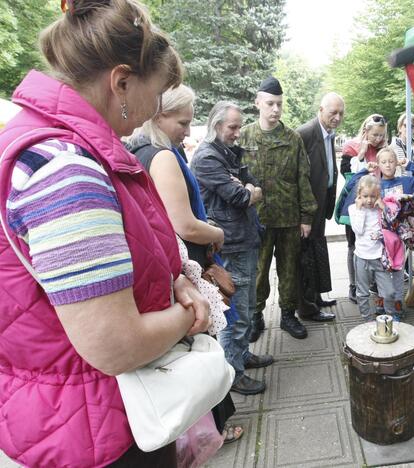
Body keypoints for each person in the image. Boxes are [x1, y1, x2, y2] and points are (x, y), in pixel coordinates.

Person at [0, 1, 211, 466]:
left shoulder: (49, 147)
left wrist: (173, 278)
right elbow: (115, 345)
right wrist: (193, 310)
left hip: (70, 418)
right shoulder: (67, 171)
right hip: (93, 435)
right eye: (154, 98)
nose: (147, 114)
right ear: (120, 82)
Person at [127, 87, 258, 442]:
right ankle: (211, 427)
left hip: (168, 265)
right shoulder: (162, 156)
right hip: (188, 261)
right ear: (158, 115)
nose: (188, 130)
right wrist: (215, 231)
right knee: (201, 345)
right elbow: (182, 223)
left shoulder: (139, 150)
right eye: (183, 122)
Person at [191, 101, 274, 394]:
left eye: (239, 126)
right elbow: (241, 196)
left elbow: (254, 186)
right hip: (233, 244)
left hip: (244, 238)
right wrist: (247, 190)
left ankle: (241, 356)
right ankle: (233, 373)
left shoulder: (226, 153)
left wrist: (249, 189)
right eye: (233, 127)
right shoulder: (207, 159)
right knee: (235, 314)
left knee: (247, 308)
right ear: (216, 126)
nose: (239, 132)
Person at [239, 77, 318, 340]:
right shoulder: (244, 136)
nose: (275, 109)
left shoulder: (292, 139)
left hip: (288, 217)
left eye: (279, 105)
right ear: (257, 103)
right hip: (256, 219)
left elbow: (302, 178)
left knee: (289, 269)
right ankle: (255, 316)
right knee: (258, 272)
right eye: (270, 104)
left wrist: (306, 216)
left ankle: (287, 315)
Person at [341, 148, 414, 317]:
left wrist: (410, 165)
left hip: (397, 240)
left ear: (396, 162)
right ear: (378, 165)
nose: (388, 165)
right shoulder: (375, 186)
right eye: (383, 162)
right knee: (380, 279)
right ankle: (382, 306)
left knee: (397, 278)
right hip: (379, 244)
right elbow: (354, 186)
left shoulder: (406, 182)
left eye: (391, 161)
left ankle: (396, 310)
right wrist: (365, 169)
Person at [295, 92, 345, 321]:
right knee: (304, 257)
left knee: (316, 252)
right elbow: (296, 174)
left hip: (321, 202)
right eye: (333, 112)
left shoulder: (329, 134)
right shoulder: (305, 133)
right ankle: (306, 307)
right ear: (321, 110)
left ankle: (315, 297)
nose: (337, 117)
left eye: (341, 113)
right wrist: (304, 212)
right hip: (307, 206)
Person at [340, 114, 388, 304]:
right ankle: (354, 285)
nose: (378, 139)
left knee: (377, 242)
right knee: (354, 245)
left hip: (377, 206)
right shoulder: (351, 146)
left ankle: (375, 282)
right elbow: (347, 176)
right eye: (375, 135)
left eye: (381, 135)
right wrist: (361, 153)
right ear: (366, 131)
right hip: (357, 205)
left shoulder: (383, 148)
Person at [348, 175, 398, 321]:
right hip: (362, 258)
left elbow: (394, 225)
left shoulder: (380, 209)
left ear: (378, 195)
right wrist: (360, 210)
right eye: (365, 196)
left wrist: (384, 209)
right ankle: (367, 320)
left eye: (373, 196)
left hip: (379, 257)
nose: (369, 200)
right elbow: (358, 230)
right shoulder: (354, 209)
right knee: (362, 293)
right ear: (359, 195)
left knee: (388, 292)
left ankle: (389, 317)